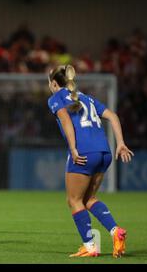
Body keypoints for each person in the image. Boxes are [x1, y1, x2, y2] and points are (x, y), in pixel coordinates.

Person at [47, 65, 134, 258]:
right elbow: (112, 116)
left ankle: (90, 245)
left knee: (74, 200)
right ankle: (115, 232)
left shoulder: (55, 98)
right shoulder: (85, 97)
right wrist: (120, 143)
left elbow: (67, 122)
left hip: (84, 152)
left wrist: (73, 148)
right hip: (104, 152)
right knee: (88, 199)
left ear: (54, 84)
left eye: (49, 84)